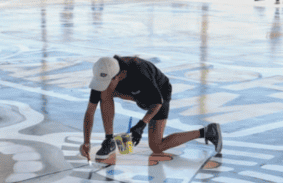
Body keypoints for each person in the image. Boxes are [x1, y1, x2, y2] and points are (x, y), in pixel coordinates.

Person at [80, 55, 222, 160]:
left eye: (106, 82)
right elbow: (90, 112)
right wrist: (86, 142)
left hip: (159, 94)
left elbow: (157, 102)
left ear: (117, 76)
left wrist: (141, 125)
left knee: (156, 146)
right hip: (134, 93)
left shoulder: (140, 72)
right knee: (104, 93)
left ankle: (207, 132)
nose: (101, 85)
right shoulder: (104, 73)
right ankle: (109, 140)